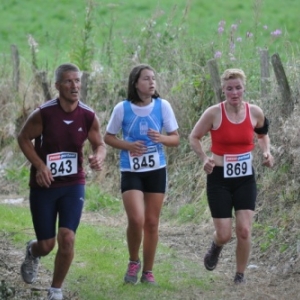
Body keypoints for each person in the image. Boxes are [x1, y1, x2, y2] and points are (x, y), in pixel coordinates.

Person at [17, 63, 106, 300]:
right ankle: (32, 250)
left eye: (77, 80)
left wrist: (98, 157)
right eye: (68, 81)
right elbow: (23, 138)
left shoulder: (88, 115)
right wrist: (40, 165)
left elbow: (100, 144)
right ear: (57, 86)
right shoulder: (44, 114)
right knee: (46, 245)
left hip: (73, 183)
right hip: (45, 185)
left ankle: (55, 290)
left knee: (67, 237)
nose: (74, 86)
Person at [189, 68, 274, 284]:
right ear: (223, 90)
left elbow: (263, 135)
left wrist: (266, 151)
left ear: (244, 88)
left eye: (238, 88)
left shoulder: (255, 112)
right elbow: (194, 137)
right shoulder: (213, 113)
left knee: (244, 230)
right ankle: (216, 246)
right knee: (225, 234)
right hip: (219, 178)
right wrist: (203, 158)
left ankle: (240, 275)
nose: (234, 93)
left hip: (245, 178)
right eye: (229, 89)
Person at [104, 64, 180, 285]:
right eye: (146, 79)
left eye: (153, 78)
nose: (152, 82)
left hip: (156, 169)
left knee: (152, 223)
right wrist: (128, 145)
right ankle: (133, 261)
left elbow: (175, 138)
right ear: (135, 83)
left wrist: (161, 138)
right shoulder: (122, 109)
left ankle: (148, 272)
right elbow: (108, 137)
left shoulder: (163, 106)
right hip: (131, 170)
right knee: (136, 219)